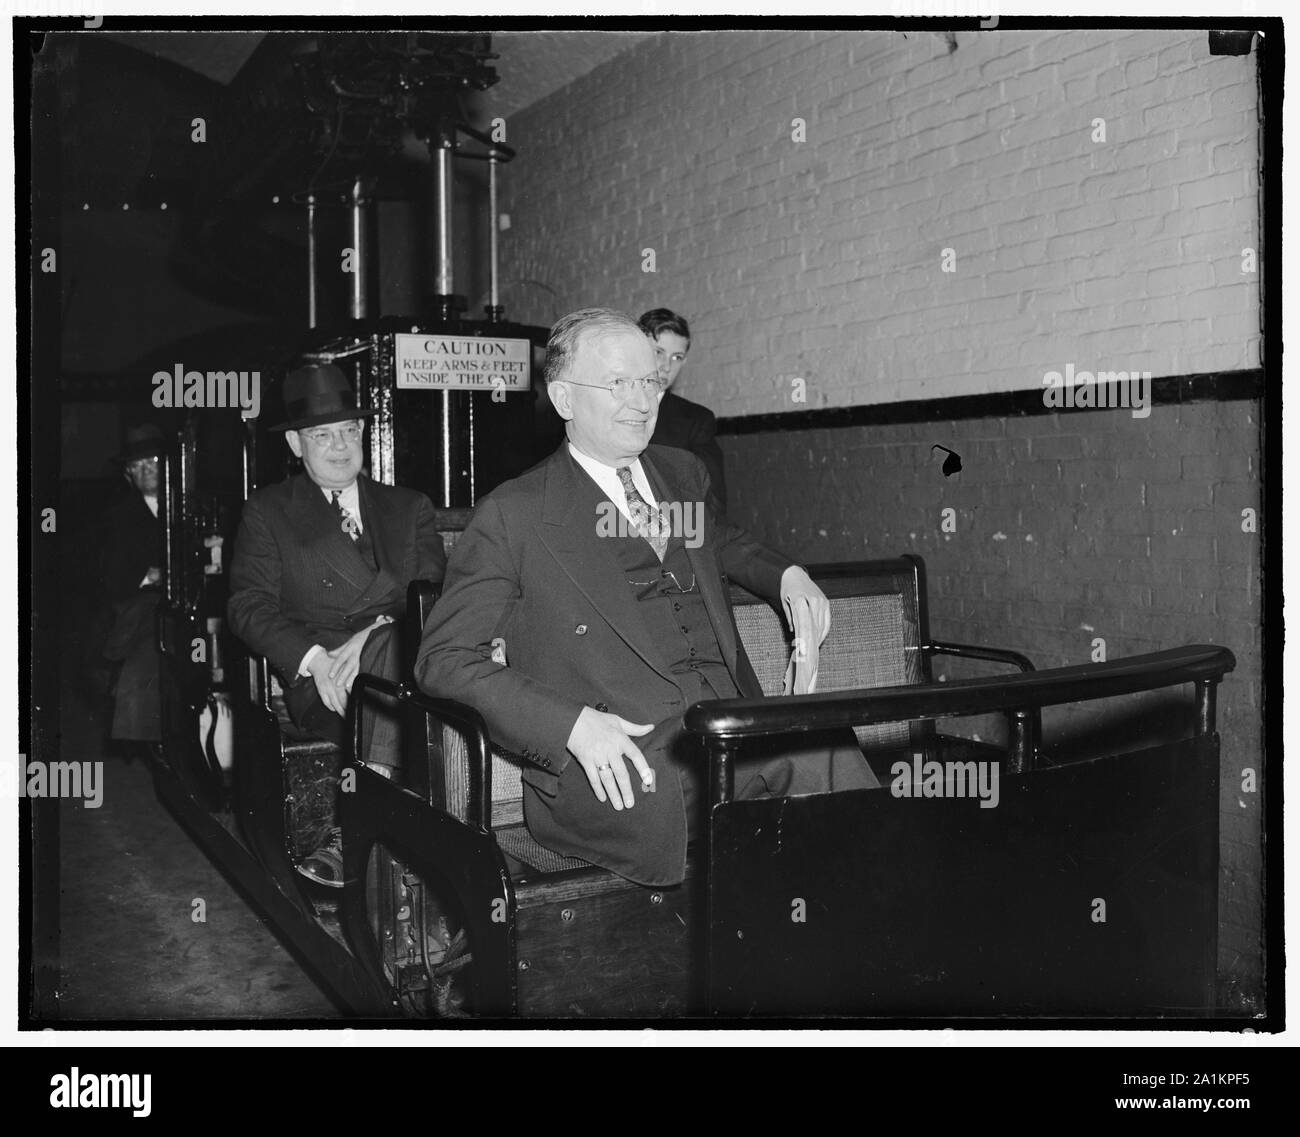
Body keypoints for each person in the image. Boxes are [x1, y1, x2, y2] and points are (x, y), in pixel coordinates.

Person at [415, 308, 875, 888]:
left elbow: (719, 540)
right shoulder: (515, 513)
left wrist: (787, 574)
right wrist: (572, 727)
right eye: (616, 383)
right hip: (627, 757)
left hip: (732, 724)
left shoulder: (681, 473)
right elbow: (445, 661)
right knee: (790, 784)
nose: (641, 401)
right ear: (562, 399)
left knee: (825, 751)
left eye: (649, 381)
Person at [228, 362, 447, 885]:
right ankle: (370, 832)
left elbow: (435, 597)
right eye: (321, 434)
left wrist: (374, 632)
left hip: (410, 667)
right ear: (296, 446)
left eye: (350, 430)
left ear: (365, 433)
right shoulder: (269, 511)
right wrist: (315, 660)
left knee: (395, 651)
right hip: (324, 681)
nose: (339, 445)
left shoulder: (407, 506)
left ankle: (355, 829)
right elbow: (247, 607)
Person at [98, 423, 166, 747]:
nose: (146, 470)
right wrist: (150, 576)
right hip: (141, 601)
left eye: (151, 461)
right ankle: (145, 734)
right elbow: (110, 576)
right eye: (137, 467)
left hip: (191, 597)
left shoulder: (191, 506)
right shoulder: (119, 516)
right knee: (144, 657)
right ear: (128, 476)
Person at [638, 308, 727, 508]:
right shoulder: (604, 405)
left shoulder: (695, 421)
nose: (667, 366)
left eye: (676, 357)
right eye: (658, 352)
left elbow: (713, 502)